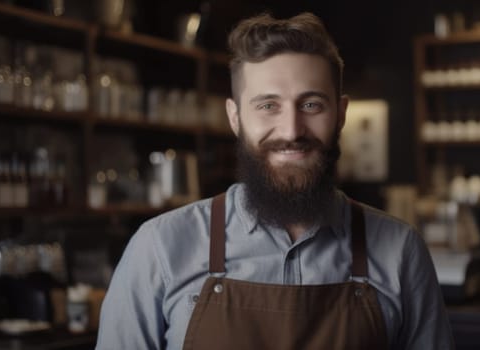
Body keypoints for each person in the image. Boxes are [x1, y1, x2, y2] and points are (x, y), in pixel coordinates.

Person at [96, 12, 454, 350]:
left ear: (341, 114)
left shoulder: (401, 251)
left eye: (311, 105)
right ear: (235, 118)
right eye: (268, 106)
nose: (291, 130)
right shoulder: (159, 248)